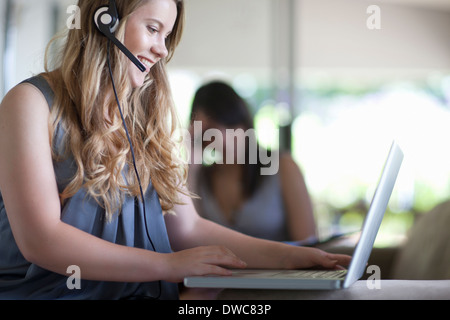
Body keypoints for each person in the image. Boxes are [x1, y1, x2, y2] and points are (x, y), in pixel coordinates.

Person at [0, 0, 350, 300]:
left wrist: (289, 257)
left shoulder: (146, 120)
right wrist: (167, 266)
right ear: (105, 21)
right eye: (153, 29)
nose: (162, 49)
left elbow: (187, 230)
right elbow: (41, 239)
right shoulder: (30, 103)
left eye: (166, 36)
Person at [188, 81, 317, 243]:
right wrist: (190, 167)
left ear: (244, 124)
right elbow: (190, 237)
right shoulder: (199, 178)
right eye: (210, 130)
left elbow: (308, 242)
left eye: (230, 125)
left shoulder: (282, 166)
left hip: (283, 267)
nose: (223, 137)